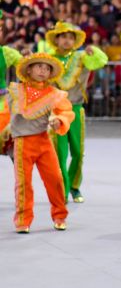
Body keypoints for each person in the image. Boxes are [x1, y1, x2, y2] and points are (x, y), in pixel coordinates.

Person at [1, 53, 75, 233]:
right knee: (23, 183)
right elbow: (7, 113)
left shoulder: (53, 94)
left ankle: (59, 215)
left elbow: (65, 111)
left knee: (55, 180)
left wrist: (59, 120)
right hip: (22, 143)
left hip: (43, 141)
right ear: (29, 69)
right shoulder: (16, 91)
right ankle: (23, 220)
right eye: (39, 66)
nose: (43, 70)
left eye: (47, 68)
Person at [47, 21, 109, 203]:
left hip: (75, 109)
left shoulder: (82, 57)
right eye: (63, 37)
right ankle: (63, 190)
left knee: (78, 152)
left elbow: (101, 61)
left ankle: (75, 186)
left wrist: (93, 50)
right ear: (57, 40)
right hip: (56, 111)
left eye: (70, 38)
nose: (67, 41)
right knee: (60, 153)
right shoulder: (49, 59)